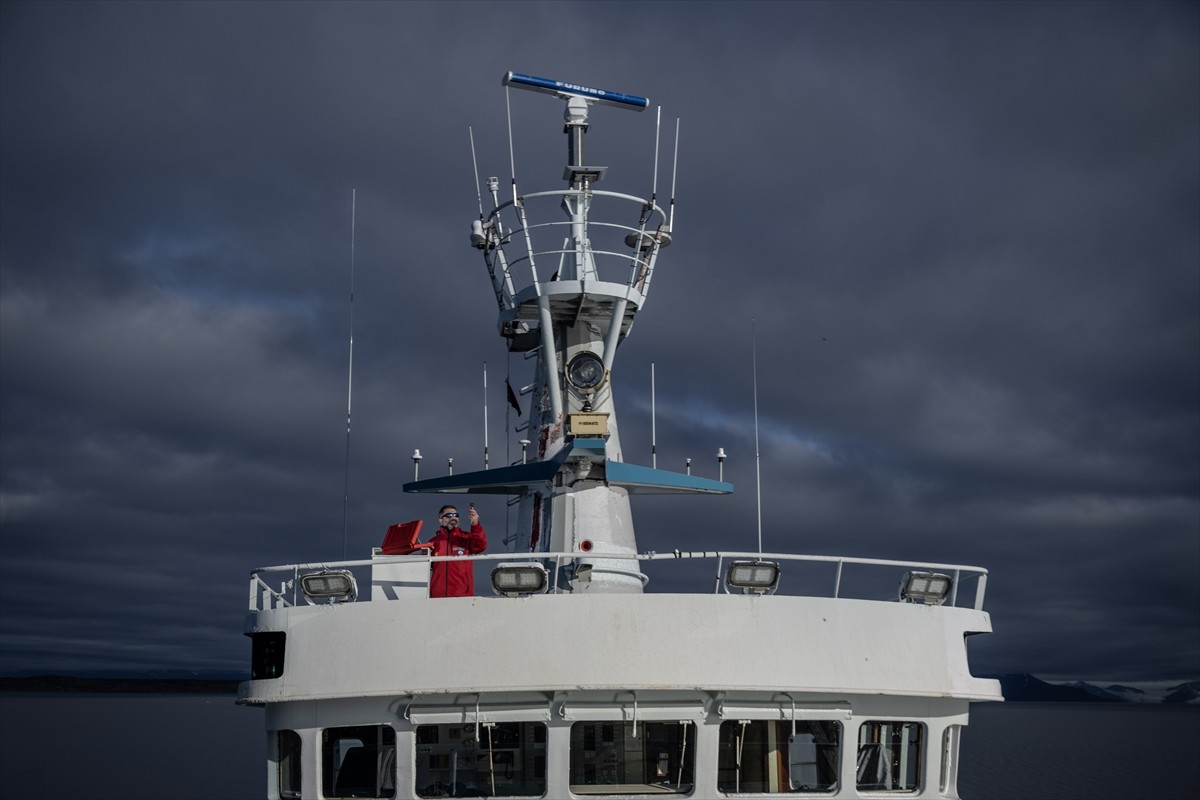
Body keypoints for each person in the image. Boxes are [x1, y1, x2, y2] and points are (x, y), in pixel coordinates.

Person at [426, 504, 486, 598]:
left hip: (462, 595)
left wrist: (475, 524)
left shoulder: (466, 538)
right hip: (438, 596)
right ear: (441, 520)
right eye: (449, 515)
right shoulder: (433, 542)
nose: (453, 517)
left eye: (456, 515)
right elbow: (424, 567)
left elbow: (480, 546)